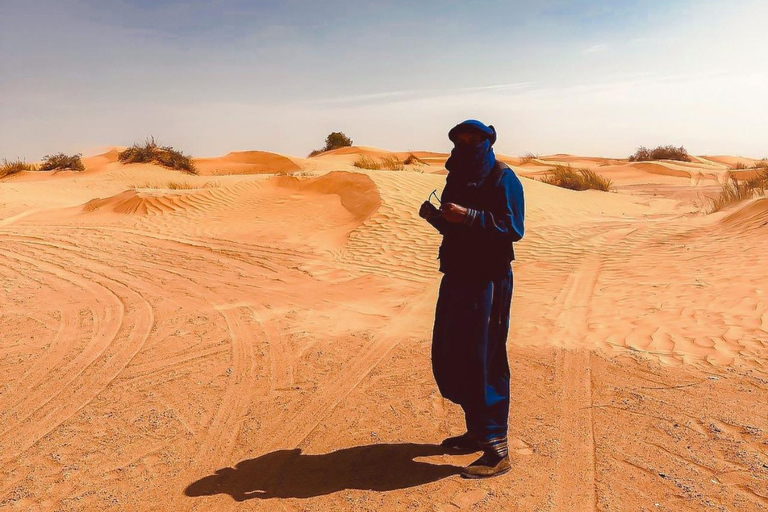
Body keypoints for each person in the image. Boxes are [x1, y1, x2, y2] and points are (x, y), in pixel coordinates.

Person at [419, 119, 525, 479]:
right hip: (458, 275)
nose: (467, 146)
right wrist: (437, 218)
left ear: (488, 142)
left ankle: (497, 447)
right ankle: (477, 431)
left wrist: (471, 215)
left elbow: (513, 229)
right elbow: (458, 228)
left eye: (474, 140)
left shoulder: (502, 176)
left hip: (489, 280)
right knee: (456, 351)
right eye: (460, 141)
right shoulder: (458, 176)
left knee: (487, 356)